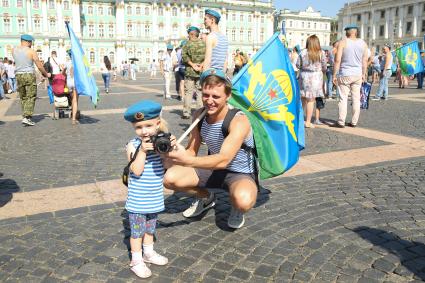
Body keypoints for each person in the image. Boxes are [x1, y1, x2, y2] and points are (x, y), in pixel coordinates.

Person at [164, 69, 258, 229]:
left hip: (239, 172)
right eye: (206, 95)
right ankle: (207, 197)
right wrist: (173, 153)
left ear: (228, 96)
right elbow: (191, 151)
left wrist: (187, 161)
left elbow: (224, 159)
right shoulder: (199, 116)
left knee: (243, 201)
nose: (209, 101)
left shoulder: (239, 120)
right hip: (212, 170)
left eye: (216, 96)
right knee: (170, 178)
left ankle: (236, 208)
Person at [123, 100, 173, 278]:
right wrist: (143, 151)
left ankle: (149, 253)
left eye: (148, 126)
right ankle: (136, 260)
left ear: (158, 123)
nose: (144, 131)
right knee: (137, 233)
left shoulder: (161, 143)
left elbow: (168, 165)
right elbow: (136, 171)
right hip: (138, 200)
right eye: (139, 127)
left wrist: (167, 150)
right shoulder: (132, 145)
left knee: (150, 229)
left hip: (154, 198)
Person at [332, 24, 368, 128]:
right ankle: (354, 122)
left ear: (347, 32)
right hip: (357, 74)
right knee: (356, 99)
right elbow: (364, 61)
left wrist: (334, 74)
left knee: (343, 98)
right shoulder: (363, 43)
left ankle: (341, 121)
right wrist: (364, 74)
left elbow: (337, 60)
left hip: (345, 73)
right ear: (356, 32)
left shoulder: (343, 42)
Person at [12, 34, 51, 126]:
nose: (31, 44)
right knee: (31, 96)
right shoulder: (31, 51)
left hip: (18, 75)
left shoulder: (14, 50)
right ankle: (27, 117)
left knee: (23, 96)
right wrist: (46, 74)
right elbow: (39, 65)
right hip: (29, 75)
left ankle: (25, 115)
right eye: (31, 42)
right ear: (28, 41)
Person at [296, 35, 327, 128]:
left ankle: (299, 120)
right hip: (316, 78)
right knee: (311, 100)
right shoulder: (321, 53)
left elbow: (298, 65)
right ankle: (308, 122)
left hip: (304, 76)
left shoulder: (303, 52)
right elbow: (324, 66)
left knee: (302, 99)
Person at [182, 26, 206, 119]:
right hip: (201, 71)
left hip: (189, 71)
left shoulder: (186, 44)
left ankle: (186, 112)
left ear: (190, 34)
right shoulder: (204, 44)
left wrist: (193, 65)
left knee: (188, 92)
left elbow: (184, 57)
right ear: (197, 34)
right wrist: (201, 65)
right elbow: (208, 56)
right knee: (200, 92)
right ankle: (199, 112)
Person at [62, 49, 79, 125]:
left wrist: (66, 75)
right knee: (75, 100)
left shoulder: (67, 62)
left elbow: (62, 72)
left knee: (72, 99)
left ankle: (73, 113)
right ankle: (73, 118)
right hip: (75, 83)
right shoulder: (78, 63)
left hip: (69, 83)